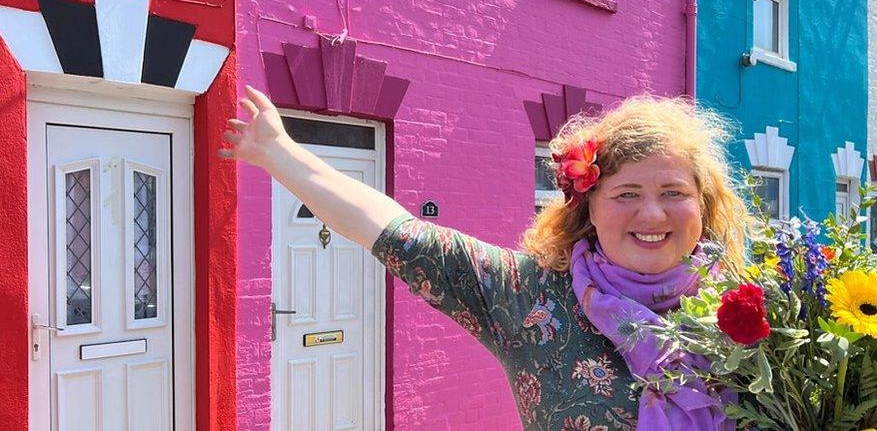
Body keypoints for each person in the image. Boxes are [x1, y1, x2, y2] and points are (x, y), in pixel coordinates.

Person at [221, 86, 750, 431]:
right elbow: (393, 231)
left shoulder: (759, 308)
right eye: (627, 194)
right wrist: (278, 153)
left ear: (702, 204)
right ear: (589, 206)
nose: (652, 214)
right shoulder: (530, 296)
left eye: (673, 192)